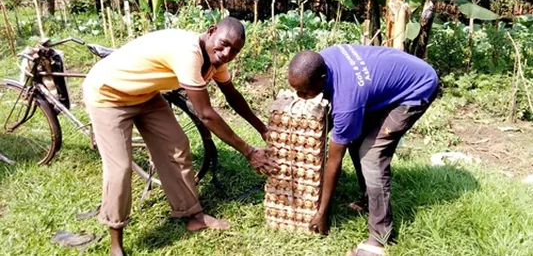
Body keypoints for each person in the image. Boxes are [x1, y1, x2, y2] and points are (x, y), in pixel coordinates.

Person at [83, 17, 277, 256]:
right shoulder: (189, 53)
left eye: (235, 51)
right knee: (120, 168)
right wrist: (249, 151)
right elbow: (206, 115)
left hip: (145, 95)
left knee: (177, 146)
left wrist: (263, 129)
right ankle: (116, 241)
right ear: (211, 31)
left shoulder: (215, 60)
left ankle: (192, 214)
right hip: (108, 96)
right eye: (224, 44)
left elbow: (232, 94)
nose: (227, 53)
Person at [287, 44, 438, 256]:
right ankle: (369, 200)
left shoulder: (347, 100)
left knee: (372, 156)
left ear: (321, 78)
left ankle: (380, 238)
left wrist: (322, 212)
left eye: (304, 92)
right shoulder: (322, 60)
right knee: (356, 140)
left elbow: (334, 161)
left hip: (417, 87)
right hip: (389, 82)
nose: (300, 96)